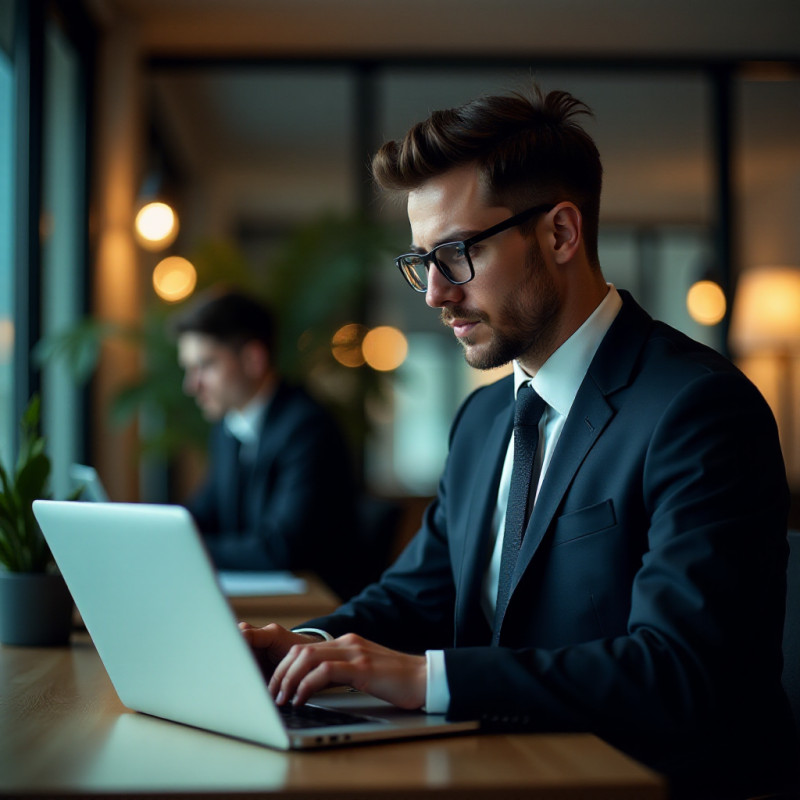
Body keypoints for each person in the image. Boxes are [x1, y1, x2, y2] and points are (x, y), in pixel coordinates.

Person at [239, 87, 798, 797]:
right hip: (498, 769)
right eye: (421, 263)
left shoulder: (698, 409)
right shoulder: (482, 424)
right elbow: (418, 595)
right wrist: (306, 648)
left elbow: (679, 670)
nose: (436, 293)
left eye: (456, 253)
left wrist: (424, 678)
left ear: (561, 234)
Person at [174, 288, 360, 599]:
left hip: (321, 610)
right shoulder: (228, 429)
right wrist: (158, 533)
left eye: (205, 366)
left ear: (252, 359)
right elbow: (204, 513)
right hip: (270, 601)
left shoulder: (306, 427)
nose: (191, 385)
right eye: (188, 369)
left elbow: (280, 548)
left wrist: (180, 548)